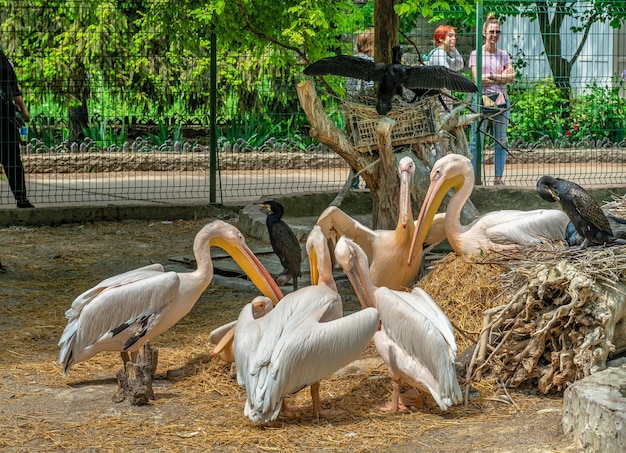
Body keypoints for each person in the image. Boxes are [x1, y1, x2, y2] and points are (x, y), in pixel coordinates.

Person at [468, 14, 515, 186]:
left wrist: (492, 77)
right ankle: (474, 179)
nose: (494, 35)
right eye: (491, 31)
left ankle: (498, 178)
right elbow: (477, 79)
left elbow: (512, 76)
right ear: (484, 32)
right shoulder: (476, 54)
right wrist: (501, 76)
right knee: (476, 140)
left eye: (498, 32)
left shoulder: (503, 54)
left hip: (501, 100)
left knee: (501, 140)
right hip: (482, 100)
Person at [1, 49, 33, 208]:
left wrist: (23, 110)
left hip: (7, 117)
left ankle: (21, 198)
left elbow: (14, 87)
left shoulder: (3, 58)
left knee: (13, 158)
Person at [346, 29, 374, 190]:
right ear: (370, 44)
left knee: (356, 148)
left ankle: (354, 184)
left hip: (353, 111)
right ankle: (370, 185)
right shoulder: (368, 62)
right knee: (370, 149)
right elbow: (369, 89)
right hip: (365, 112)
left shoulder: (351, 61)